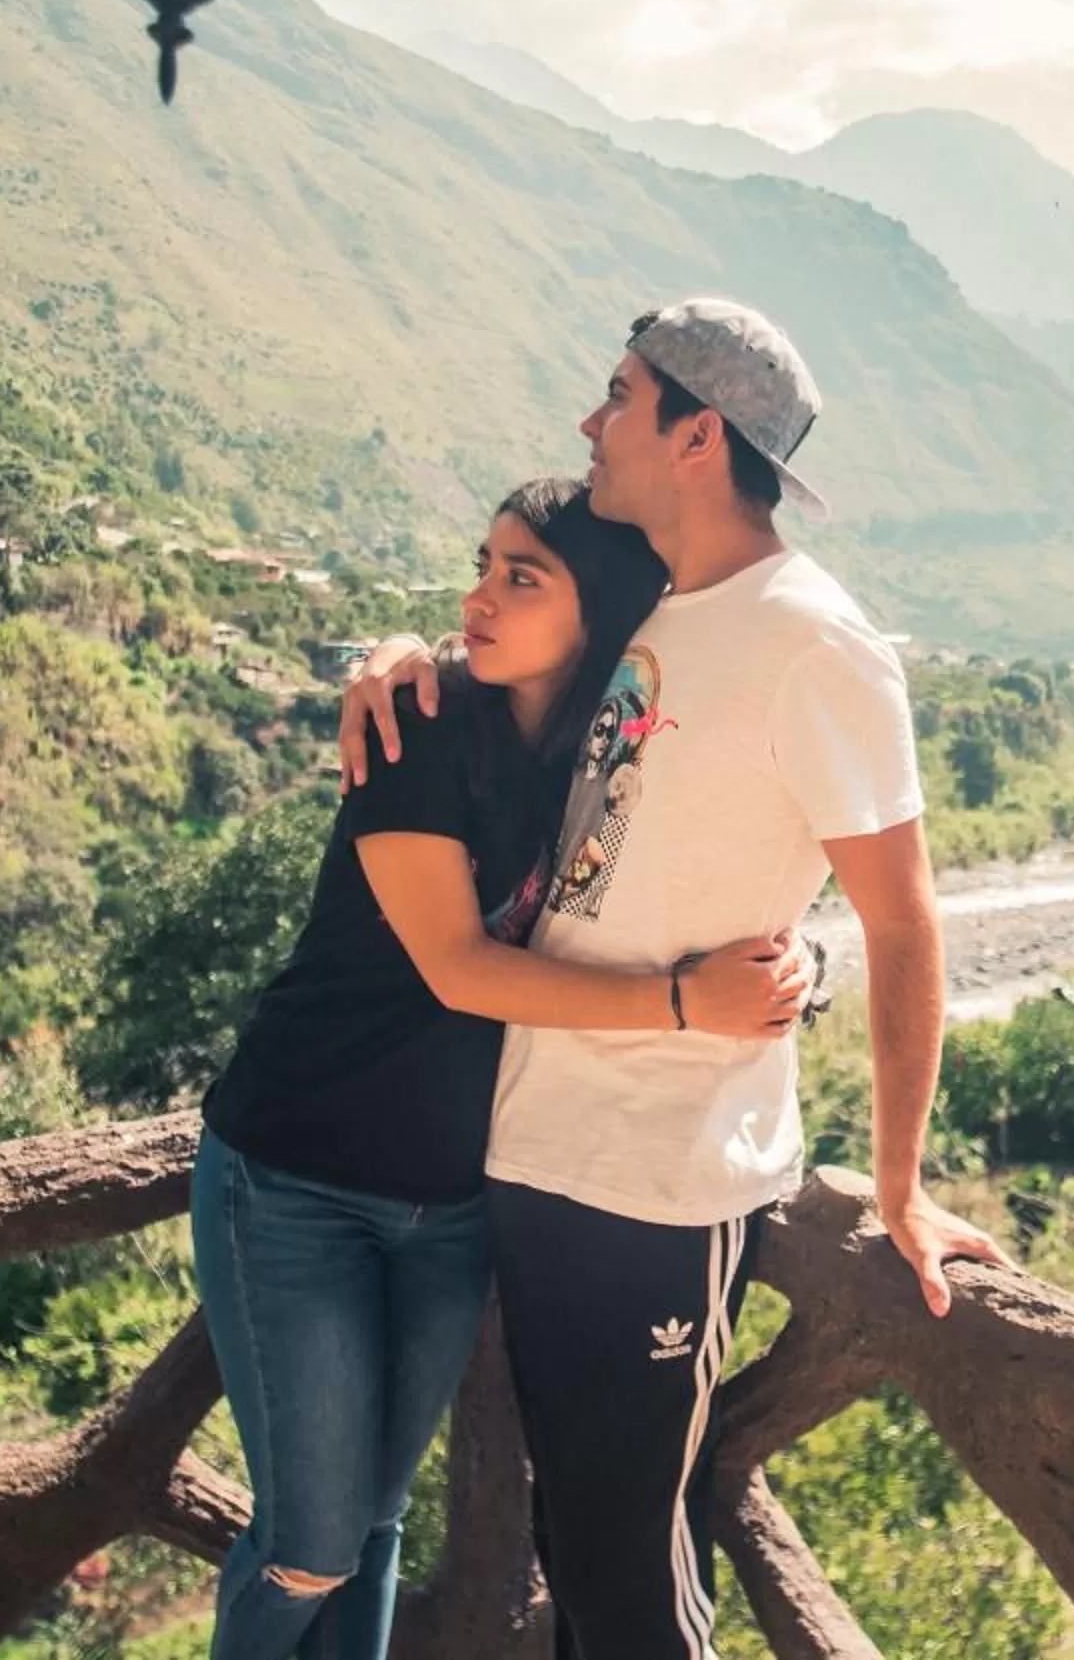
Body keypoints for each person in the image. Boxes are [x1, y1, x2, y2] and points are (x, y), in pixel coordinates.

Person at [341, 298, 1010, 1659]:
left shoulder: (813, 640)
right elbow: (517, 670)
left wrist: (899, 1184)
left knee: (632, 1571)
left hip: (663, 1175)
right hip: (543, 1146)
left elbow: (904, 918)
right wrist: (401, 656)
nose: (590, 421)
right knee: (576, 1548)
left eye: (618, 395)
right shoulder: (661, 603)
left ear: (696, 435)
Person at [192, 477, 818, 1660]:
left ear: (604, 609)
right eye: (482, 566)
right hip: (291, 1182)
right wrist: (684, 1004)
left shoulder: (610, 761)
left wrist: (798, 961)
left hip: (454, 1208)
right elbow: (457, 967)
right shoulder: (420, 728)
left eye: (521, 576)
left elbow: (728, 875)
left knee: (373, 1524)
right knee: (312, 1541)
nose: (479, 597)